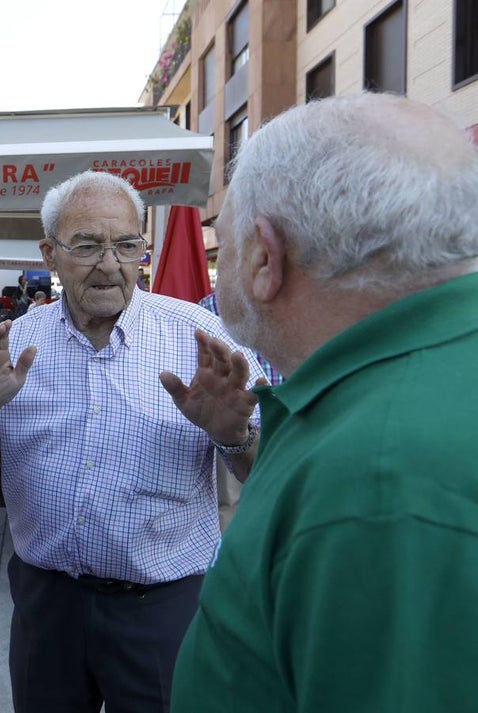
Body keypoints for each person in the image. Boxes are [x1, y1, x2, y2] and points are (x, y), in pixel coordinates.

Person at [171, 94, 478, 712]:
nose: (216, 261)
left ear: (264, 257)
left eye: (223, 240)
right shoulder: (392, 407)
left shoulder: (381, 480)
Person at [0, 170, 267, 713]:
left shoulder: (203, 340)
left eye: (126, 245)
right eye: (88, 246)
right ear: (50, 255)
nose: (110, 263)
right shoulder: (15, 345)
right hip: (46, 605)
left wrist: (233, 437)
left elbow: (271, 474)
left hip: (163, 610)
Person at [197, 291, 284, 531]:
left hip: (294, 424)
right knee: (237, 518)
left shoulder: (303, 297)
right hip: (239, 431)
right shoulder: (211, 306)